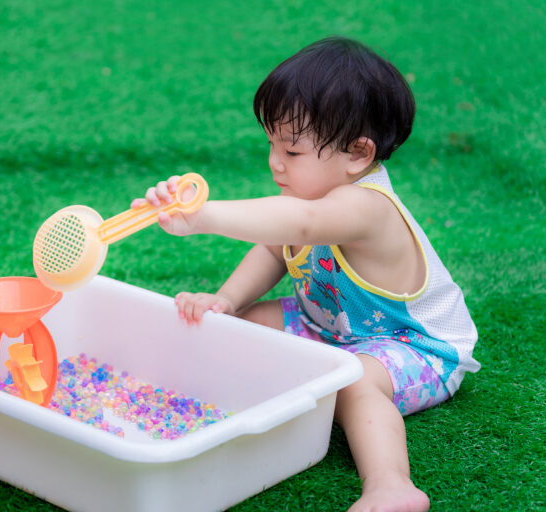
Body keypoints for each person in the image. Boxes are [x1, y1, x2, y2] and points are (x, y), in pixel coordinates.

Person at [132, 37, 480, 512]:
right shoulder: (310, 196)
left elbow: (300, 225)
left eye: (292, 151)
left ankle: (390, 484)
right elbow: (276, 248)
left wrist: (203, 217)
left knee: (354, 383)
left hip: (411, 344)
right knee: (245, 323)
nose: (275, 161)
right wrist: (229, 300)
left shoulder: (367, 208)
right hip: (331, 325)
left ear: (358, 154)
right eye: (271, 143)